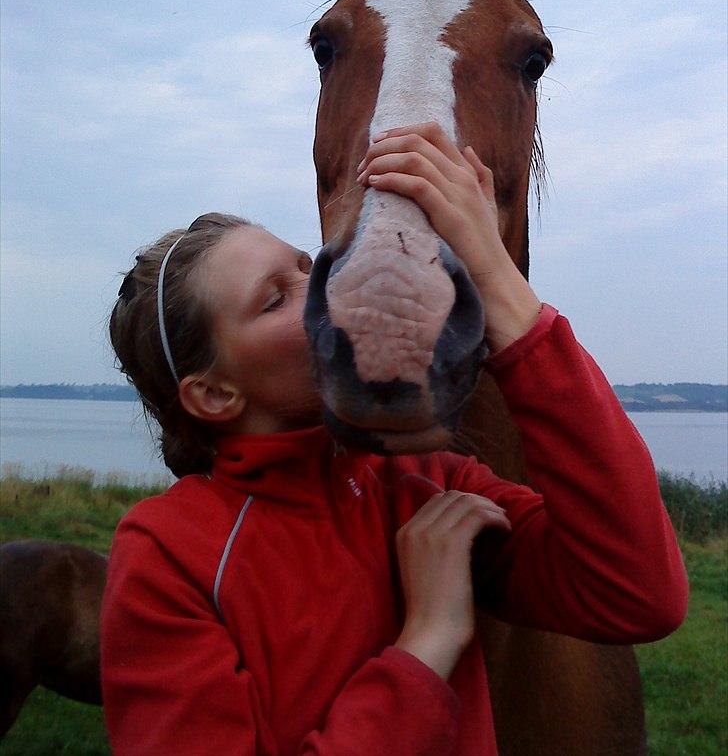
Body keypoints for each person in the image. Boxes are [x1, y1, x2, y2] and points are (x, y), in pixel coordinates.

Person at [102, 125, 688, 756]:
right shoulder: (166, 557)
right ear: (214, 394)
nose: (328, 286)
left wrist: (501, 287)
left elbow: (639, 594)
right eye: (275, 300)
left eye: (309, 264)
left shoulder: (432, 486)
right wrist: (427, 642)